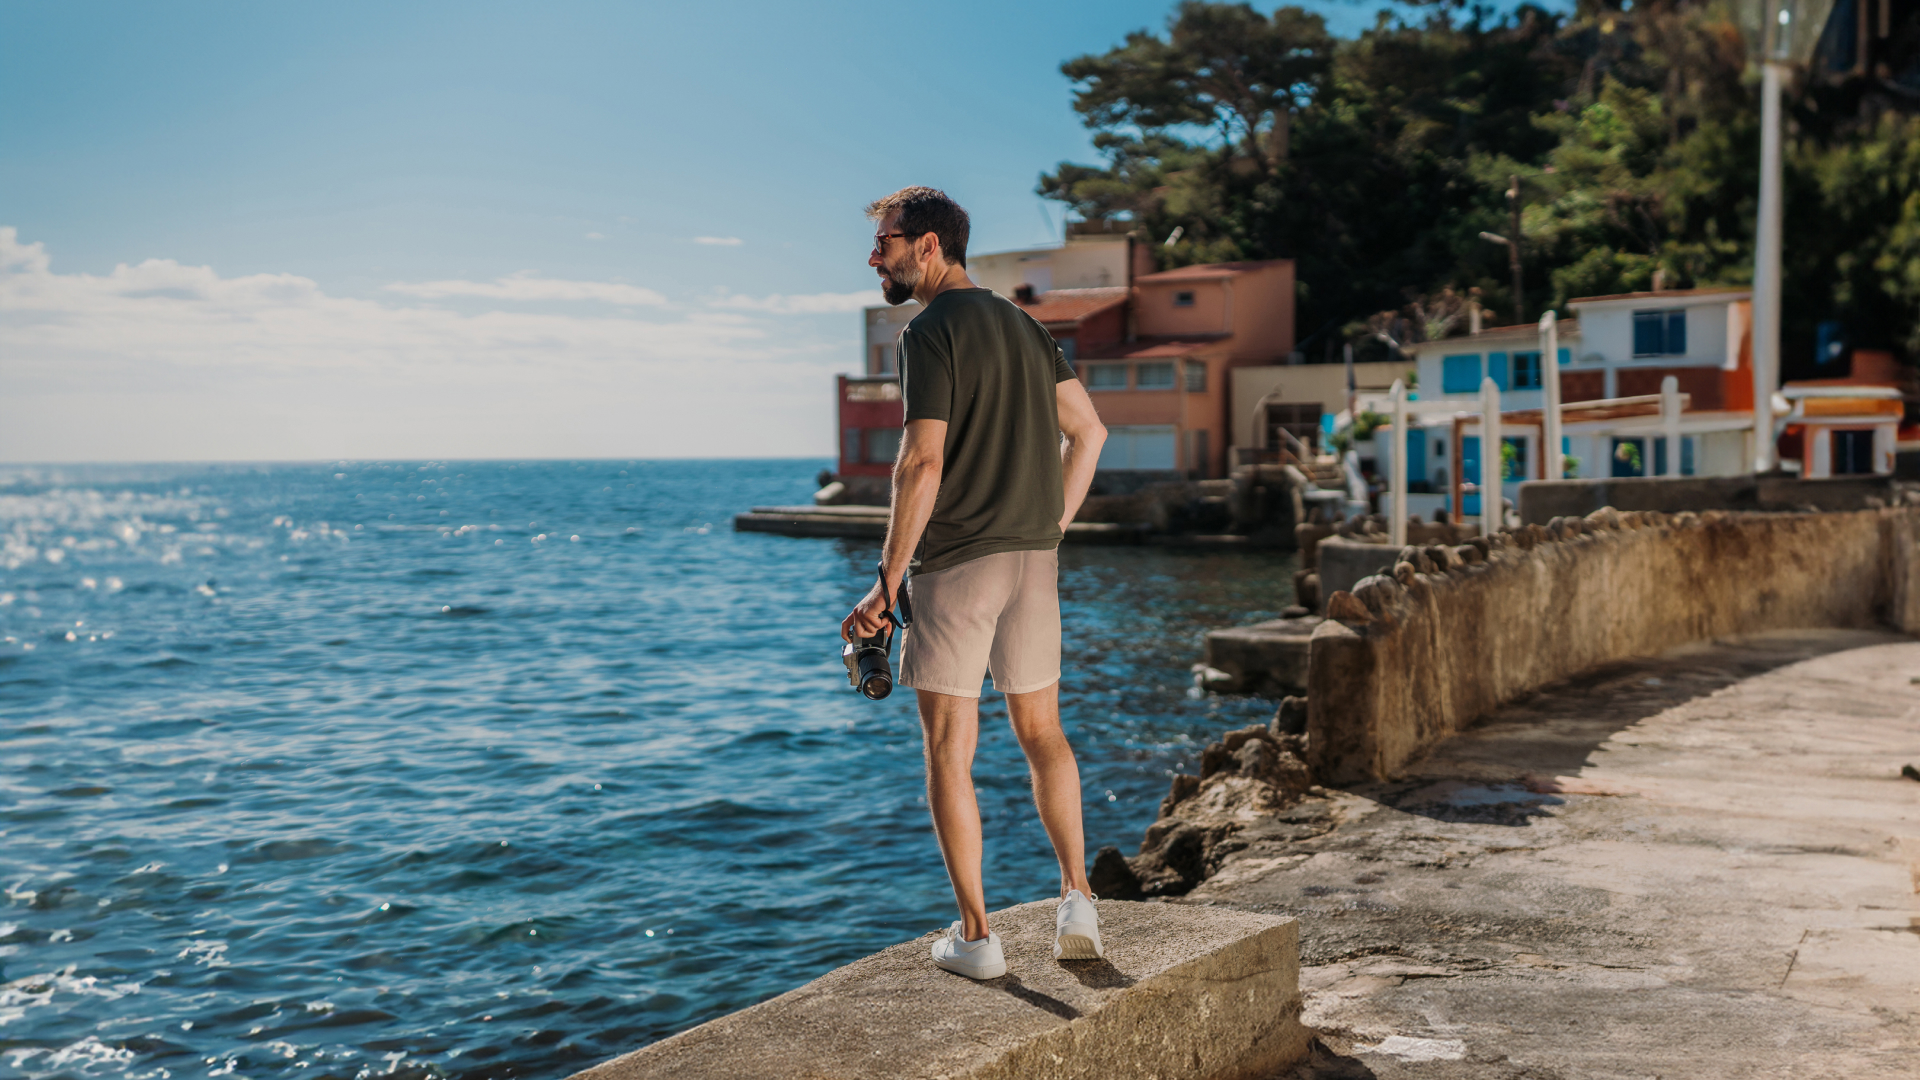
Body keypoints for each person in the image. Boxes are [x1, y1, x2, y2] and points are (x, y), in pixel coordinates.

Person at [842, 187, 1108, 980]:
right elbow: (1090, 433)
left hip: (958, 564)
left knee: (950, 753)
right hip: (1034, 563)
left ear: (928, 246)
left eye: (884, 241)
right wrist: (1050, 523)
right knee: (1044, 736)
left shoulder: (929, 333)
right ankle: (1078, 899)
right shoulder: (1028, 328)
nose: (874, 256)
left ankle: (978, 938)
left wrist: (887, 582)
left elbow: (921, 462)